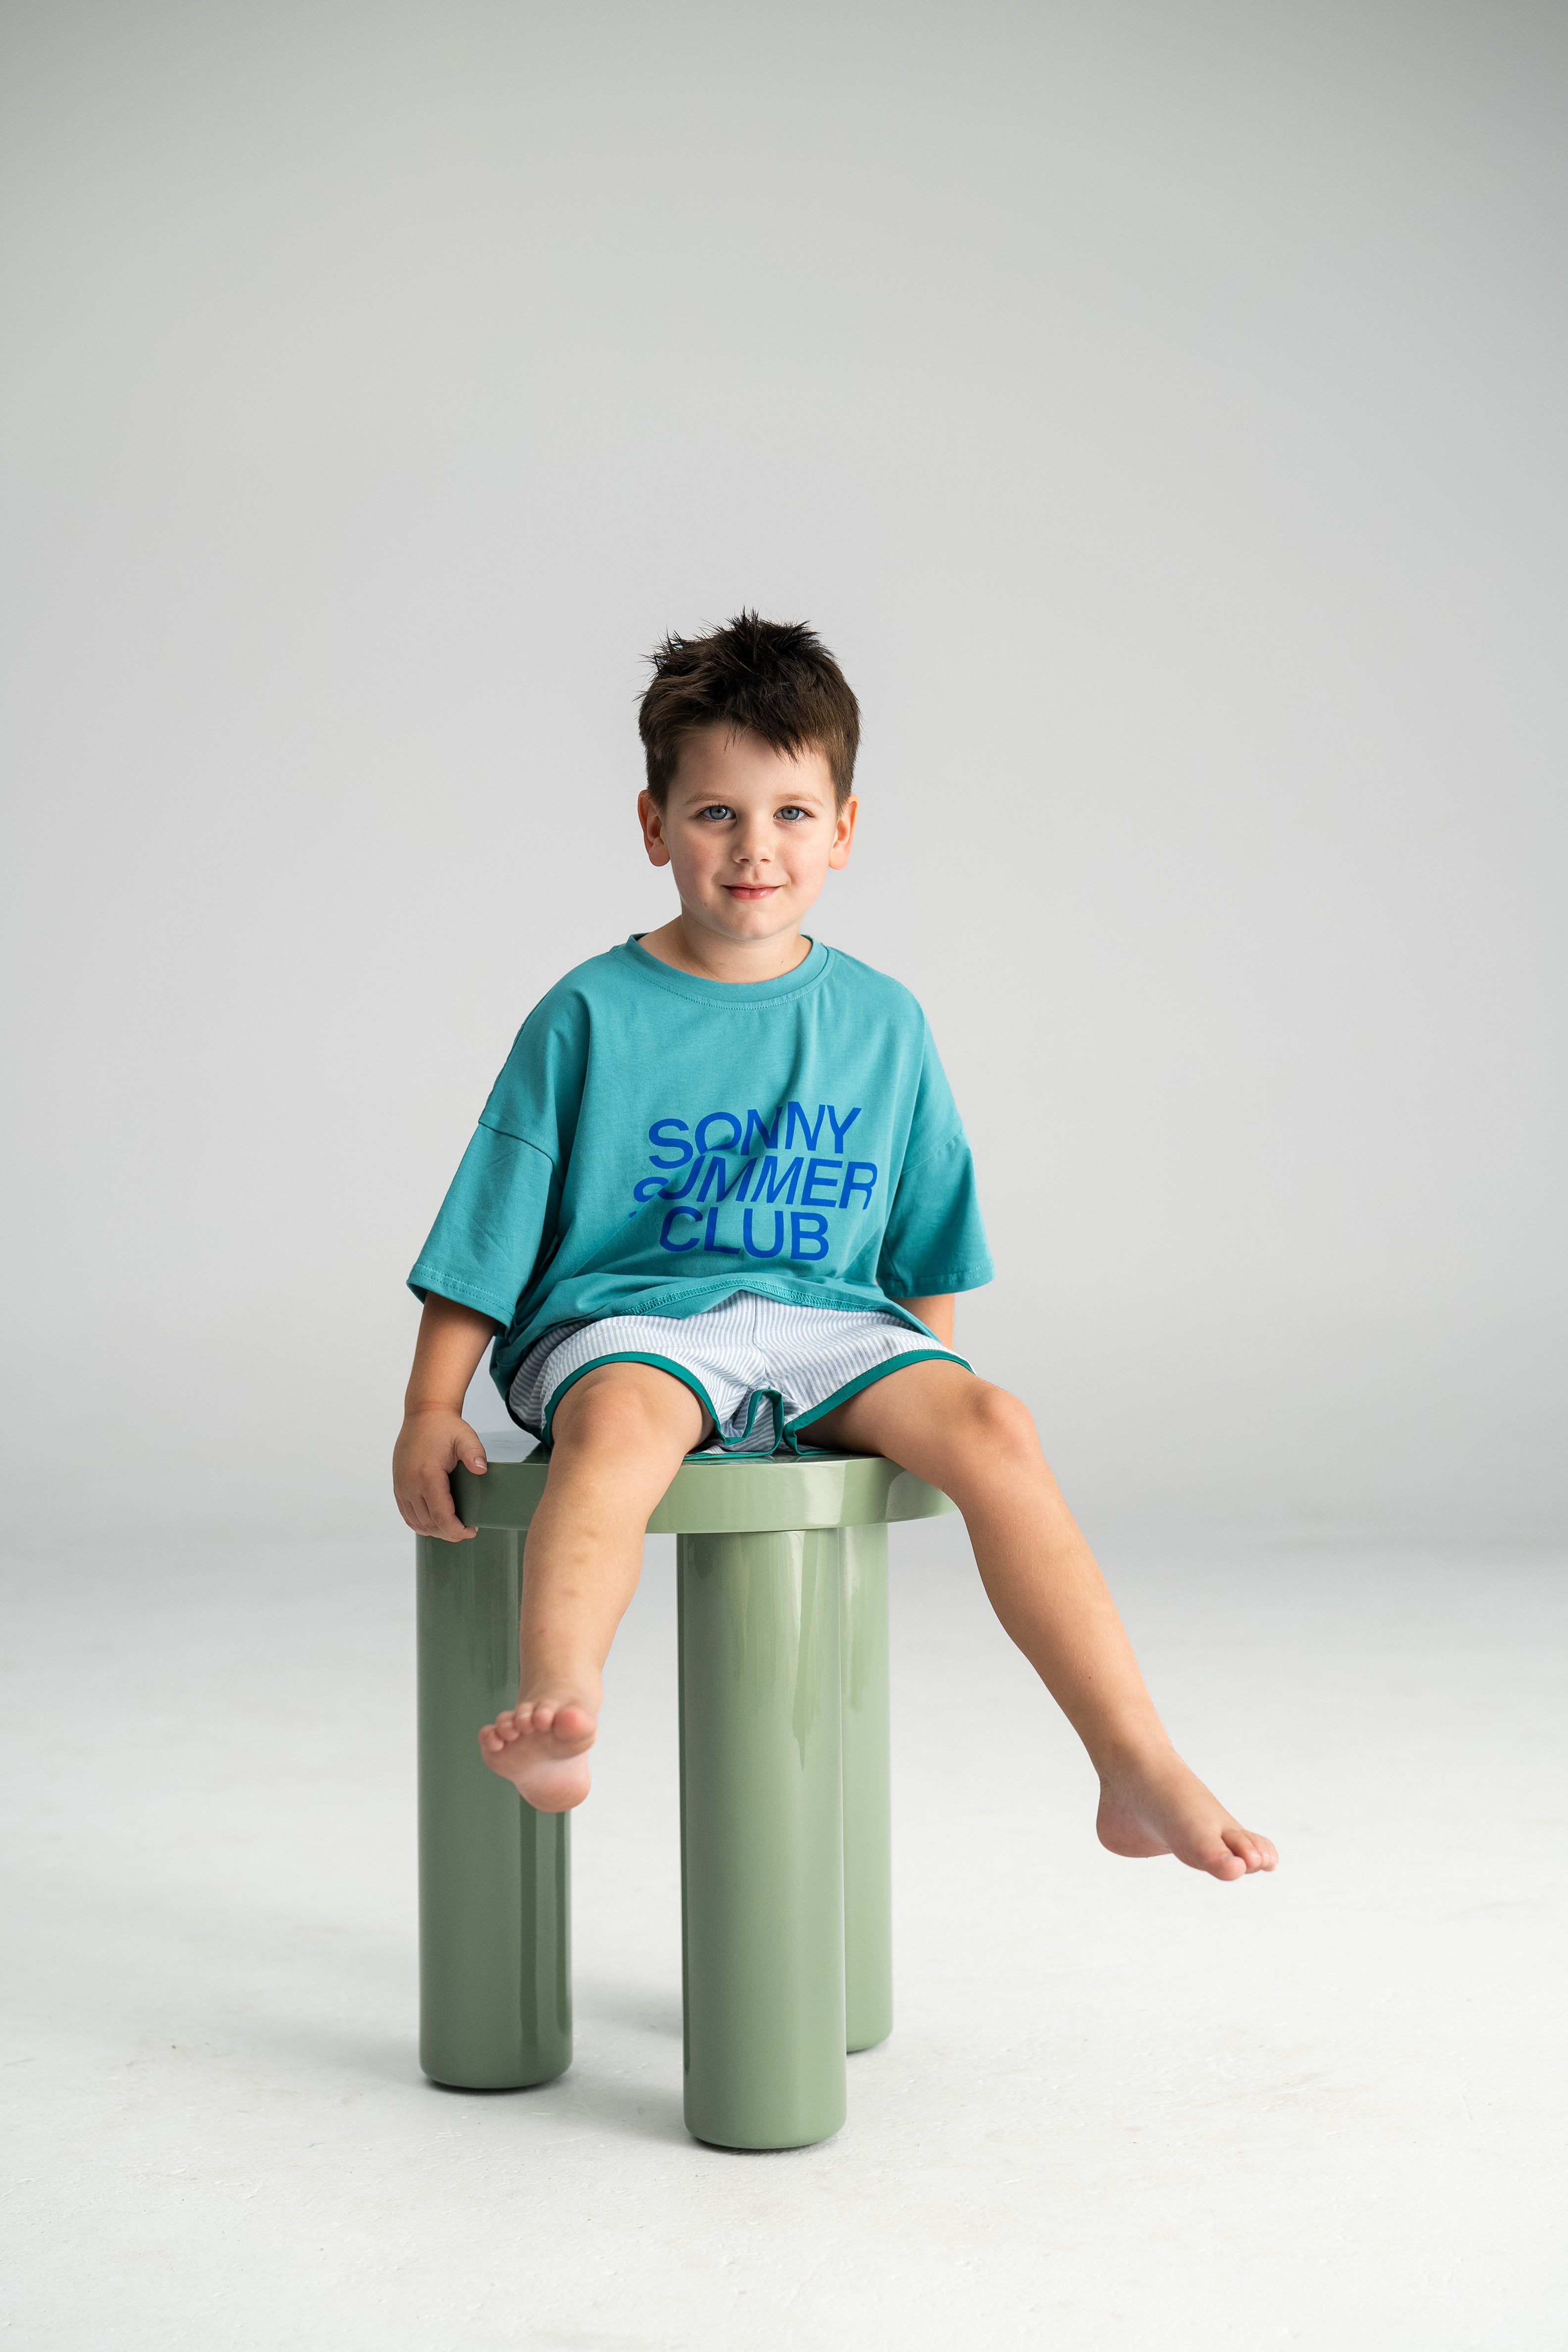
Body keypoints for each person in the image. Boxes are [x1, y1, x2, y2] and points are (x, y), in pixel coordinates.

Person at [393, 613, 1276, 1882]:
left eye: (794, 813)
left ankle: (1135, 1764)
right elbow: (492, 1216)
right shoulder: (588, 1013)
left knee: (1002, 1425)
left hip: (831, 1328)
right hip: (630, 1322)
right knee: (621, 1430)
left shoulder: (885, 1022)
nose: (757, 847)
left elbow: (926, 1247)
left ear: (844, 831)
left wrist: (925, 1403)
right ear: (653, 826)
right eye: (716, 814)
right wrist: (431, 1402)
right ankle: (562, 1709)